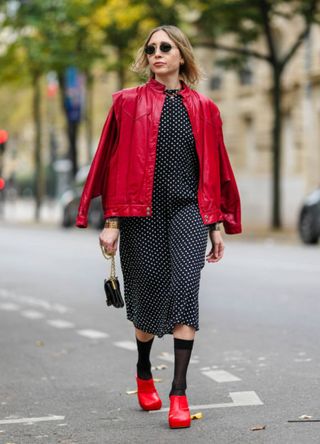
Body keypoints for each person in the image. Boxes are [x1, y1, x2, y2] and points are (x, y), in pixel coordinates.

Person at [76, 24, 241, 429]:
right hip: (139, 214)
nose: (157, 53)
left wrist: (216, 224)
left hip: (187, 212)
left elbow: (215, 169)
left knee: (185, 291)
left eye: (165, 47)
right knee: (148, 300)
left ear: (181, 54)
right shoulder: (126, 104)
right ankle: (144, 370)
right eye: (151, 48)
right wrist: (110, 221)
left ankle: (179, 393)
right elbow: (110, 165)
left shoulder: (205, 108)